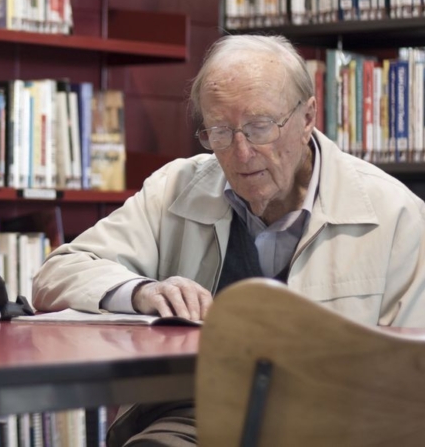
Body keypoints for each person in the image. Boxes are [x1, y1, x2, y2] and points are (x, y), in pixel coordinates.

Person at [32, 34, 425, 447]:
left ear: (308, 117)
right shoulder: (176, 188)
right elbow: (57, 272)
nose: (240, 153)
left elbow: (413, 375)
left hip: (334, 426)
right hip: (195, 416)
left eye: (259, 127)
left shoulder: (393, 213)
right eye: (219, 131)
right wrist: (142, 291)